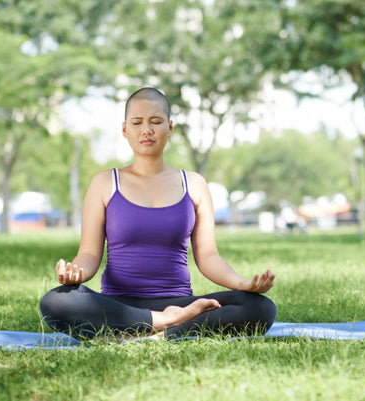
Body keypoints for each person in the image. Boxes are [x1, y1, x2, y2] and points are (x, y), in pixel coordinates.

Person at [40, 87, 276, 340]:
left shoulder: (194, 184)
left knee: (260, 307)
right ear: (124, 129)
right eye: (137, 122)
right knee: (56, 302)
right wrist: (76, 273)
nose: (147, 130)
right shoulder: (105, 182)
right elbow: (88, 254)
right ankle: (165, 323)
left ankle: (158, 334)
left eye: (156, 121)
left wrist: (242, 284)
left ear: (170, 127)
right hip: (120, 306)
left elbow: (208, 256)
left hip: (182, 304)